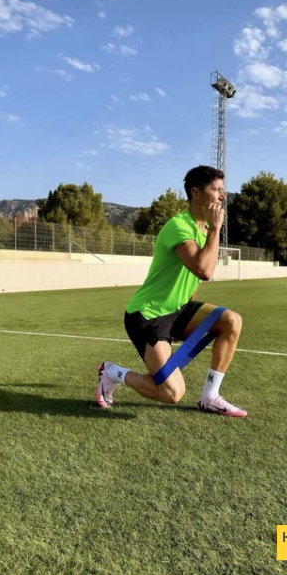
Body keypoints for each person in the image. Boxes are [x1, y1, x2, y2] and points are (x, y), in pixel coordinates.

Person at [95, 165, 247, 417]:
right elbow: (204, 270)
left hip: (178, 310)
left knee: (231, 320)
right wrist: (216, 229)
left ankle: (210, 396)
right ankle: (111, 372)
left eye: (223, 189)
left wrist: (183, 322)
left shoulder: (203, 228)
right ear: (196, 193)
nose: (223, 196)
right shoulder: (179, 226)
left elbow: (193, 280)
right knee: (171, 393)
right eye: (217, 189)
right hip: (148, 316)